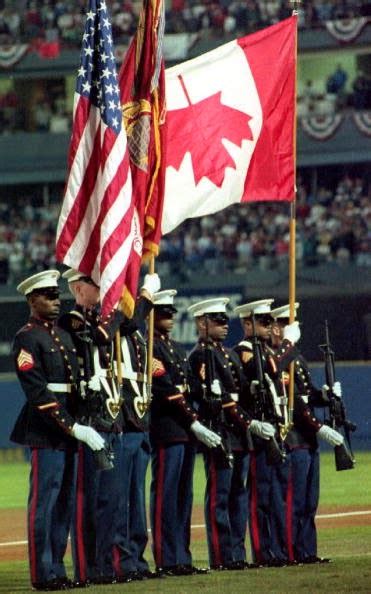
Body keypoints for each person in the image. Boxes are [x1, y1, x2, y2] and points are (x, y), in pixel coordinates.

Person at [10, 270, 105, 592]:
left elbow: (72, 383)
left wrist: (88, 389)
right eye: (47, 296)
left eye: (56, 296)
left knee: (64, 504)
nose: (55, 301)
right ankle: (42, 572)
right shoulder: (26, 337)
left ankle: (58, 569)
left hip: (69, 430)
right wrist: (73, 426)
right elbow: (38, 392)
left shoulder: (63, 336)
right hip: (46, 430)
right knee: (45, 503)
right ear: (31, 300)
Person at [188, 297, 272, 570]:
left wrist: (255, 388)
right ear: (202, 323)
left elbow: (243, 388)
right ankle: (221, 555)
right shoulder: (200, 355)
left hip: (238, 431)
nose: (225, 325)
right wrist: (247, 420)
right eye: (218, 320)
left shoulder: (229, 354)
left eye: (225, 320)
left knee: (238, 495)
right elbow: (216, 397)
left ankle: (237, 552)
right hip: (221, 429)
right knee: (220, 497)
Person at [59, 268, 127, 585]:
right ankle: (87, 569)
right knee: (87, 499)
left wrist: (140, 298)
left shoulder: (95, 319)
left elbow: (133, 324)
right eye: (94, 282)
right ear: (76, 288)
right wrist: (112, 309)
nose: (101, 287)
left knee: (109, 500)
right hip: (85, 418)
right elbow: (98, 337)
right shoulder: (71, 321)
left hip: (104, 414)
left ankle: (103, 566)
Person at [150, 290, 221, 576]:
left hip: (185, 431)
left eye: (171, 313)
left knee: (183, 497)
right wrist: (193, 420)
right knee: (166, 497)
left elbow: (190, 385)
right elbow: (166, 390)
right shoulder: (151, 348)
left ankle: (182, 557)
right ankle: (166, 559)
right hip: (167, 429)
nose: (169, 317)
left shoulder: (177, 349)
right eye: (164, 313)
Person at [269, 302, 344, 565]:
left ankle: (307, 550)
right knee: (294, 500)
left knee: (310, 501)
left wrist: (325, 394)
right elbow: (295, 404)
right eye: (288, 324)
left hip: (307, 439)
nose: (294, 328)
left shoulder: (296, 358)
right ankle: (290, 551)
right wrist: (319, 426)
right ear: (277, 329)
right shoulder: (280, 359)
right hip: (295, 438)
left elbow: (307, 395)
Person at [232, 299, 301, 567]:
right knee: (259, 496)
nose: (270, 326)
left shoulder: (267, 351)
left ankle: (278, 550)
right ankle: (262, 551)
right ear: (247, 324)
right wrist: (288, 345)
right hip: (259, 434)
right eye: (264, 321)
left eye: (270, 321)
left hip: (276, 430)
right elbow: (269, 372)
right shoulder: (245, 351)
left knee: (275, 496)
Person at [111, 272, 161, 582]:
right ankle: (122, 561)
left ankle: (137, 559)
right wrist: (145, 295)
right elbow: (127, 322)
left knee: (135, 499)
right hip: (123, 421)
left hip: (139, 421)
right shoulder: (117, 326)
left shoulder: (137, 335)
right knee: (121, 499)